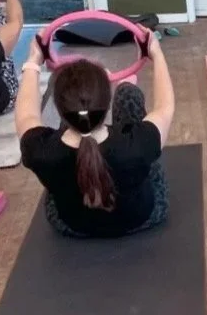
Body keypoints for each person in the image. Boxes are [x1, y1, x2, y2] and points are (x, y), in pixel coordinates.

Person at [14, 33, 174, 238]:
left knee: (74, 119)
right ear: (106, 101)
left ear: (58, 107)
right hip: (142, 218)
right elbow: (165, 107)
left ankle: (82, 110)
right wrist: (156, 54)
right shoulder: (137, 146)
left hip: (72, 225)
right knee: (128, 95)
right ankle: (125, 86)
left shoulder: (40, 151)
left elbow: (26, 115)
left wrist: (33, 60)